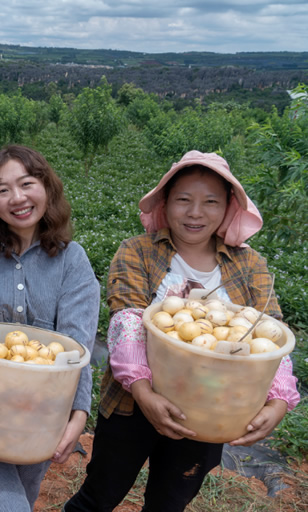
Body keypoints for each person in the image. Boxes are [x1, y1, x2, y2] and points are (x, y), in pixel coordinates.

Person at [64, 151, 300, 511]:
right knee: (100, 495)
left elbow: (272, 331)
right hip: (133, 404)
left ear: (227, 208)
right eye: (183, 200)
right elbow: (127, 320)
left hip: (209, 412)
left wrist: (280, 397)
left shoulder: (250, 264)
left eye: (210, 202)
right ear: (166, 203)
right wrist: (144, 393)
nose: (195, 213)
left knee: (170, 502)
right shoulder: (138, 252)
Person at [0, 145, 100, 512]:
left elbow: (77, 348)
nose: (17, 198)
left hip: (43, 415)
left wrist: (78, 414)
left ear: (47, 189)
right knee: (12, 507)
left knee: (19, 499)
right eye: (2, 190)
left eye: (27, 183)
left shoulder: (73, 261)